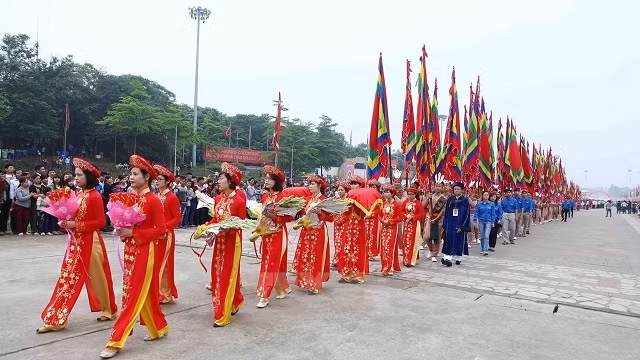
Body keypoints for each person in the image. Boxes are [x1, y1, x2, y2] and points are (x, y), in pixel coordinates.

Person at [38, 158, 118, 334]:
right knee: (67, 278)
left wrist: (77, 225)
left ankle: (109, 309)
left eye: (79, 175)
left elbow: (100, 221)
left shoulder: (95, 196)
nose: (76, 178)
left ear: (88, 177)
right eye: (75, 175)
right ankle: (56, 318)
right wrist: (66, 222)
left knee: (99, 277)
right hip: (76, 243)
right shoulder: (78, 194)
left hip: (91, 242)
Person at [100, 155, 168, 359]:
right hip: (130, 251)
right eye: (130, 173)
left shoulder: (153, 200)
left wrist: (135, 234)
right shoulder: (131, 198)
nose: (131, 177)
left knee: (131, 296)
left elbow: (162, 229)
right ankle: (159, 327)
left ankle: (116, 340)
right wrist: (122, 230)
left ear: (147, 176)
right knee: (141, 292)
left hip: (145, 252)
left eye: (136, 173)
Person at [205, 163, 246, 326]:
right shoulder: (217, 199)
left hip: (231, 242)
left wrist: (225, 229)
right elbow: (216, 218)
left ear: (230, 181)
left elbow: (240, 223)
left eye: (221, 179)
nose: (218, 182)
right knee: (218, 273)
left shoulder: (239, 200)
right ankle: (235, 301)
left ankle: (223, 313)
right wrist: (208, 228)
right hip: (219, 242)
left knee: (227, 274)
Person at [255, 165, 293, 308]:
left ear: (276, 181)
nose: (266, 181)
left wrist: (275, 217)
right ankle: (281, 289)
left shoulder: (283, 197)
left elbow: (289, 218)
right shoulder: (264, 196)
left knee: (272, 262)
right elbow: (262, 215)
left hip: (278, 233)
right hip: (266, 234)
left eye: (270, 179)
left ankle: (264, 295)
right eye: (265, 178)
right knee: (268, 261)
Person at [293, 175, 332, 294]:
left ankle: (314, 283)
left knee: (316, 257)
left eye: (312, 184)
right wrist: (301, 220)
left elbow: (331, 218)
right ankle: (306, 280)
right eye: (309, 184)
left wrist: (321, 213)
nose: (310, 186)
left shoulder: (324, 199)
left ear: (319, 186)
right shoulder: (308, 199)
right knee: (306, 256)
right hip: (306, 231)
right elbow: (306, 215)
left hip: (318, 231)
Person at [337, 175, 374, 283]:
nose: (353, 186)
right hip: (348, 228)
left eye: (356, 184)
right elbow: (345, 214)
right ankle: (346, 274)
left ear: (360, 186)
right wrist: (338, 221)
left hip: (359, 228)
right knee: (347, 249)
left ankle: (358, 276)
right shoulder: (348, 197)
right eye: (352, 184)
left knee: (359, 250)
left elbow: (366, 211)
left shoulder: (363, 198)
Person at [153, 165, 181, 304]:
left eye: (160, 179)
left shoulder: (172, 198)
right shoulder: (155, 196)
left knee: (165, 265)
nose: (157, 182)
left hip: (166, 235)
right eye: (156, 179)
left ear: (167, 182)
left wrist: (165, 227)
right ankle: (156, 292)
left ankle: (165, 293)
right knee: (155, 263)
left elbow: (177, 218)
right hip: (155, 235)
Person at [441, 182, 471, 266]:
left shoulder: (465, 200)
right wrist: (445, 224)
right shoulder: (450, 199)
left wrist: (463, 226)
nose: (456, 190)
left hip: (459, 223)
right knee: (448, 240)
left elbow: (467, 214)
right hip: (450, 223)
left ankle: (458, 257)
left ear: (462, 190)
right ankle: (447, 258)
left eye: (458, 189)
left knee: (458, 240)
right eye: (455, 189)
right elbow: (446, 212)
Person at [378, 184, 402, 275]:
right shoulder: (383, 204)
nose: (385, 194)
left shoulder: (396, 205)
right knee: (384, 247)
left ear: (392, 194)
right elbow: (379, 215)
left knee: (390, 247)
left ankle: (389, 267)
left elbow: (401, 217)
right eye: (384, 192)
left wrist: (391, 221)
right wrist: (382, 220)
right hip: (384, 228)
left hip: (392, 229)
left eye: (388, 192)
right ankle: (385, 266)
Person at [401, 185, 425, 267]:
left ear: (415, 194)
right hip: (406, 224)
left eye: (412, 194)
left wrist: (413, 217)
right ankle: (406, 259)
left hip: (415, 224)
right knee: (405, 241)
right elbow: (401, 212)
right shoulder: (404, 203)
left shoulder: (418, 203)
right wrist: (405, 216)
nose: (410, 196)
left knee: (413, 241)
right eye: (409, 194)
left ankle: (411, 260)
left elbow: (422, 214)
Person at [426, 182, 446, 262]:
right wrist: (428, 198)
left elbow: (442, 211)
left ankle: (435, 254)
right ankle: (430, 250)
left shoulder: (444, 199)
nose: (437, 187)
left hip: (438, 219)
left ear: (442, 187)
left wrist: (436, 219)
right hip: (429, 217)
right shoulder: (430, 196)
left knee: (436, 237)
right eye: (436, 186)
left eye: (439, 186)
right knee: (427, 237)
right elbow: (423, 206)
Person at [332, 181, 350, 267]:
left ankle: (342, 259)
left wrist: (341, 220)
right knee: (336, 241)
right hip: (336, 224)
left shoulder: (348, 201)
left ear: (346, 191)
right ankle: (336, 258)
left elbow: (348, 214)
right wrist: (335, 219)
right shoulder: (336, 201)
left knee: (343, 241)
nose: (339, 192)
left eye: (341, 190)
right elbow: (333, 212)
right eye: (338, 190)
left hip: (345, 224)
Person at [474, 190, 496, 256]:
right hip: (481, 221)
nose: (486, 196)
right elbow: (476, 212)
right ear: (482, 196)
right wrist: (475, 220)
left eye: (487, 195)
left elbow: (493, 214)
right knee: (482, 236)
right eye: (485, 195)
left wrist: (493, 222)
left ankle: (485, 250)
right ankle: (482, 248)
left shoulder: (491, 204)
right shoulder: (479, 204)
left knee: (486, 235)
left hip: (488, 221)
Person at [365, 179, 382, 260]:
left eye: (374, 187)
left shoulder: (379, 196)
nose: (372, 188)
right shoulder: (366, 196)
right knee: (366, 234)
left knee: (373, 235)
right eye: (371, 187)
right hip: (366, 218)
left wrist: (372, 214)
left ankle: (371, 253)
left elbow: (381, 209)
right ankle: (366, 251)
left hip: (375, 218)